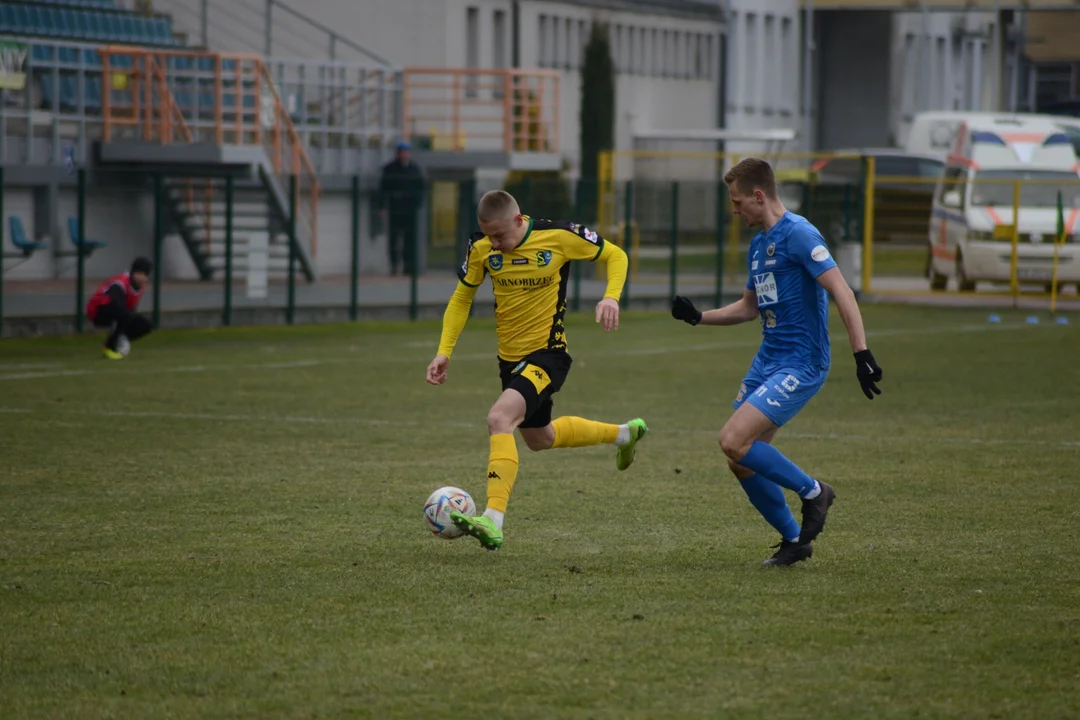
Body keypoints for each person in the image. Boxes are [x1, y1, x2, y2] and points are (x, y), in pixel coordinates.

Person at [670, 158, 883, 567]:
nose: (734, 211)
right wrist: (699, 317)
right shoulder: (758, 245)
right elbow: (749, 308)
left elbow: (842, 290)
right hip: (768, 360)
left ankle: (815, 492)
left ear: (759, 195)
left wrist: (862, 353)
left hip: (802, 363)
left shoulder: (800, 235)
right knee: (740, 460)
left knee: (732, 439)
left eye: (737, 202)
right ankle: (794, 540)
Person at [426, 190, 649, 551]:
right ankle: (624, 434)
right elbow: (462, 298)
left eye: (500, 236)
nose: (495, 244)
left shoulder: (559, 236)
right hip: (510, 360)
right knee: (539, 438)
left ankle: (492, 520)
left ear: (519, 220)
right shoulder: (481, 247)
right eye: (489, 236)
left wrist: (611, 295)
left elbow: (615, 254)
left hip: (548, 354)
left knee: (499, 419)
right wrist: (444, 352)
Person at [85, 257, 154, 360]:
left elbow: (130, 309)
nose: (145, 279)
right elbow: (116, 305)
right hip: (98, 311)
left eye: (147, 275)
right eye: (143, 274)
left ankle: (121, 338)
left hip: (117, 312)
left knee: (146, 324)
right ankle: (110, 347)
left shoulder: (140, 288)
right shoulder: (119, 283)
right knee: (124, 314)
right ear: (134, 273)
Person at [379, 140, 425, 275]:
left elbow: (421, 188)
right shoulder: (390, 169)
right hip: (395, 208)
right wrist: (383, 206)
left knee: (410, 239)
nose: (404, 155)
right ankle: (394, 266)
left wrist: (417, 204)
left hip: (410, 209)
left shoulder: (414, 169)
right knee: (394, 239)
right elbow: (383, 189)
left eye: (406, 152)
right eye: (401, 152)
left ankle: (408, 267)